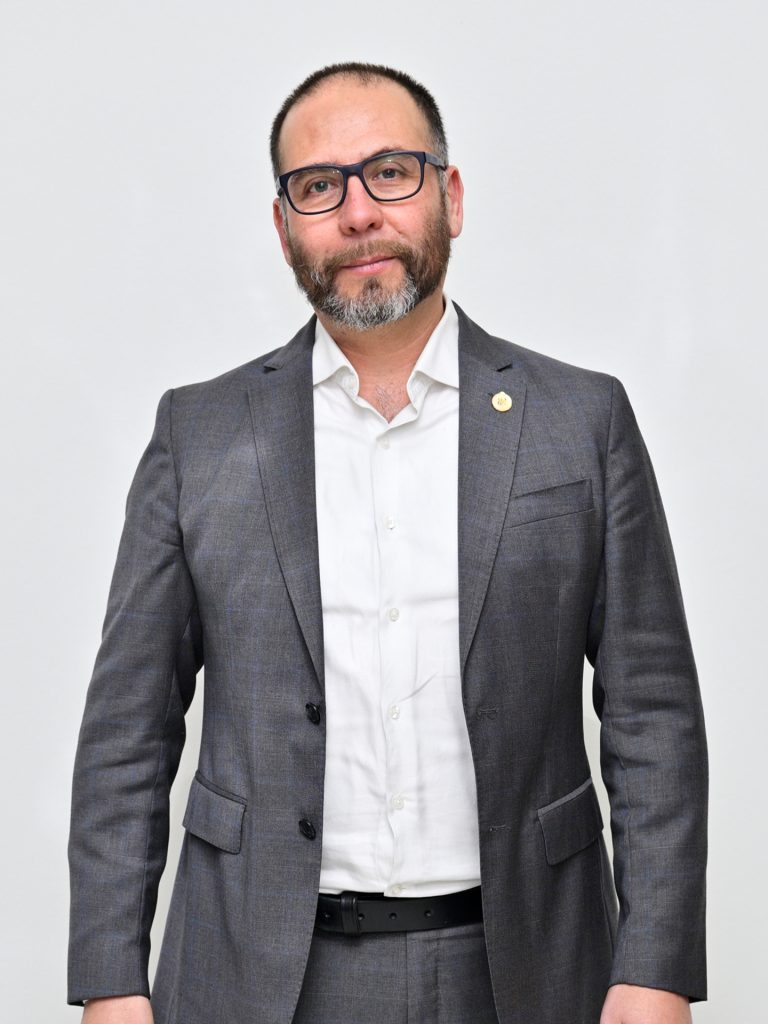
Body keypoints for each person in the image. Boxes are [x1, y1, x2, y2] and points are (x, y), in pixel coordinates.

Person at [67, 62, 708, 1024]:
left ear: (451, 196)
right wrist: (111, 979)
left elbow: (653, 715)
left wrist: (654, 966)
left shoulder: (581, 421)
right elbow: (128, 729)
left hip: (529, 968)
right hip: (257, 973)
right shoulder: (198, 437)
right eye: (319, 187)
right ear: (284, 226)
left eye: (392, 173)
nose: (359, 212)